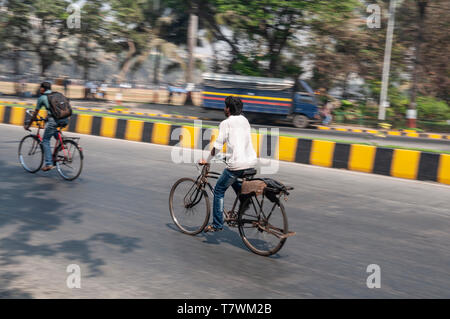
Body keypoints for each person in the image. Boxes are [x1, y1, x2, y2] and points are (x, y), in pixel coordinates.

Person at [199, 96, 257, 232]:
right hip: (250, 162)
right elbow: (239, 143)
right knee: (233, 179)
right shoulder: (244, 120)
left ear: (229, 109)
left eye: (225, 107)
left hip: (237, 164)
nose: (224, 109)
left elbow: (218, 145)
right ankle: (245, 200)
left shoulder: (226, 123)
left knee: (219, 189)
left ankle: (217, 224)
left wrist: (207, 160)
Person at [24, 82, 69, 171]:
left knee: (45, 140)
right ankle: (62, 142)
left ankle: (48, 163)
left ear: (43, 89)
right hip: (65, 119)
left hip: (54, 120)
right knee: (52, 129)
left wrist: (28, 125)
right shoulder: (57, 95)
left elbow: (35, 113)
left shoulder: (42, 98)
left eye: (40, 88)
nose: (40, 89)